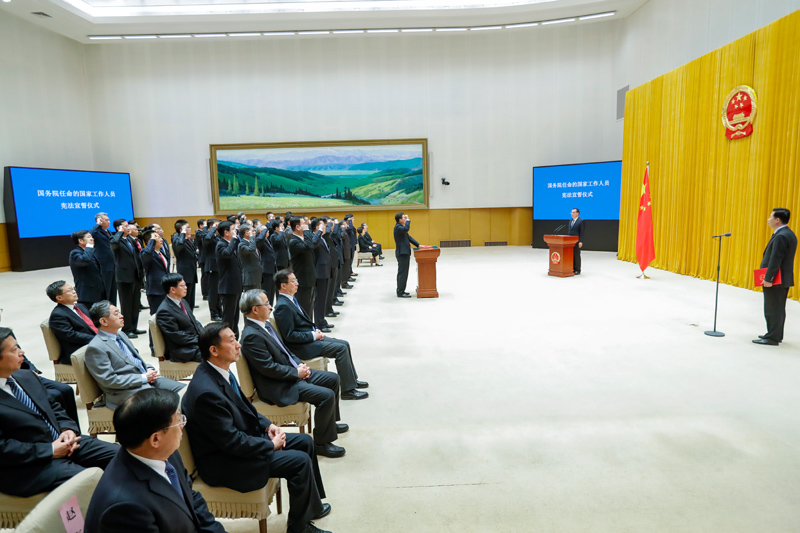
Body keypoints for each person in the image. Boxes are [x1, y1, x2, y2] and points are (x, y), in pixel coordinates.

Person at [181, 322, 333, 533]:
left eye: (236, 338)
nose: (238, 345)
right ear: (214, 350)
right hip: (225, 462)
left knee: (305, 441)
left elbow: (245, 408)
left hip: (240, 441)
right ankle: (299, 528)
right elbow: (231, 442)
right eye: (232, 341)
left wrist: (268, 425)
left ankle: (310, 508)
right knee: (299, 462)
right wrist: (270, 445)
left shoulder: (219, 371)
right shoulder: (206, 393)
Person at [84, 389, 226, 533]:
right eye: (178, 421)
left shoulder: (166, 453)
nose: (182, 425)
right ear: (156, 439)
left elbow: (191, 498)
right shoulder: (125, 508)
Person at [0, 327, 118, 497]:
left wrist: (67, 429)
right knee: (92, 482)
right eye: (14, 349)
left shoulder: (26, 376)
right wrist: (50, 450)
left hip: (65, 442)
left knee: (123, 455)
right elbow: (3, 448)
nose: (22, 352)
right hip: (30, 464)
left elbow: (54, 407)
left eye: (18, 346)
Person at [240, 290, 346, 458]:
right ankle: (322, 444)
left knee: (333, 379)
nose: (270, 306)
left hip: (290, 374)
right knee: (326, 396)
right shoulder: (251, 336)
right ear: (255, 309)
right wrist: (296, 373)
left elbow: (286, 351)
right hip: (279, 386)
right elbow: (268, 368)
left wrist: (300, 365)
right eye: (266, 303)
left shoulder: (265, 325)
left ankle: (329, 424)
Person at [273, 269, 367, 400]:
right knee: (340, 349)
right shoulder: (283, 306)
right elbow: (290, 335)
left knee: (344, 344)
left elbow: (302, 324)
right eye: (293, 281)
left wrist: (315, 331)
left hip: (308, 338)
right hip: (301, 347)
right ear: (283, 285)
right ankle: (348, 391)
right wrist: (313, 335)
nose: (297, 283)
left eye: (296, 280)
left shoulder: (290, 300)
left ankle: (351, 381)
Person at [85, 301, 184, 409]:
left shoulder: (121, 335)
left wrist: (149, 369)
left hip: (145, 380)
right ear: (104, 321)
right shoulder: (96, 347)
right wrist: (143, 378)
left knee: (186, 391)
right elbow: (110, 380)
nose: (121, 316)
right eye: (116, 314)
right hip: (125, 391)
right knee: (169, 403)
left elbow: (135, 360)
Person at [754, 208, 797, 346]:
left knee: (772, 308)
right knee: (778, 308)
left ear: (777, 220)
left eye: (770, 217)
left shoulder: (781, 236)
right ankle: (775, 334)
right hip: (782, 278)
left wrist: (768, 279)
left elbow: (775, 260)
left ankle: (772, 338)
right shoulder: (787, 233)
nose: (768, 219)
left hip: (776, 279)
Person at [156, 274, 204, 363]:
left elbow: (195, 322)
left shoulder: (183, 301)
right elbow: (177, 336)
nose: (186, 287)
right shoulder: (164, 311)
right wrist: (201, 341)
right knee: (215, 355)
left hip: (193, 343)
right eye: (182, 285)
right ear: (173, 289)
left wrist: (205, 336)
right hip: (183, 350)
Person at [47, 280, 97, 365]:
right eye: (69, 290)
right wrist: (97, 339)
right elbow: (71, 335)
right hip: (79, 349)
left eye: (73, 288)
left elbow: (92, 324)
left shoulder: (80, 306)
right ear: (59, 298)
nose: (74, 292)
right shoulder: (58, 315)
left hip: (94, 342)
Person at [111, 219, 144, 338]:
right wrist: (120, 232)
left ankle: (134, 327)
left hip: (135, 275)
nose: (128, 228)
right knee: (127, 304)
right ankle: (127, 329)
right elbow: (114, 244)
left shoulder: (129, 239)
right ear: (118, 228)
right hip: (124, 277)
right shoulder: (115, 239)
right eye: (125, 226)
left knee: (135, 303)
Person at [289, 217, 321, 318]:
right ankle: (306, 327)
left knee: (309, 306)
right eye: (304, 223)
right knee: (304, 307)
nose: (307, 225)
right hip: (303, 279)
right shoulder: (294, 241)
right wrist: (306, 230)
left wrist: (318, 232)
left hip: (309, 277)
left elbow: (313, 244)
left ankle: (310, 326)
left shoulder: (302, 239)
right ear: (298, 227)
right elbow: (309, 246)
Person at [216, 221, 243, 337]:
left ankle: (234, 338)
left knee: (235, 316)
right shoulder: (221, 244)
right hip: (228, 287)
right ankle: (226, 338)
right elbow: (227, 253)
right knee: (228, 317)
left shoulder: (230, 243)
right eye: (233, 229)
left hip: (235, 285)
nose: (235, 231)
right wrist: (234, 239)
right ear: (226, 232)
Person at [69, 230, 106, 309]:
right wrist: (89, 246)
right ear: (81, 240)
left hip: (98, 291)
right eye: (89, 237)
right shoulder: (75, 253)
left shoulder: (90, 252)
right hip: (87, 294)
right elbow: (85, 260)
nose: (92, 239)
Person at [172, 219, 199, 310]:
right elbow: (179, 245)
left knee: (191, 298)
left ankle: (190, 314)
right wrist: (183, 232)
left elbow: (192, 253)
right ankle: (186, 315)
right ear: (181, 230)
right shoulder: (176, 238)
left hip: (192, 271)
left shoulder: (188, 239)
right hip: (185, 272)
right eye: (187, 227)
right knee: (185, 298)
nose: (190, 229)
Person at [141, 231, 170, 314]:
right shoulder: (145, 253)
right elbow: (147, 254)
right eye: (158, 238)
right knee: (157, 314)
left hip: (165, 287)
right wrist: (152, 240)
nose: (161, 240)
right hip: (155, 290)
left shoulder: (161, 252)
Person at [91, 212, 117, 305]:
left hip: (112, 263)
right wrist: (97, 224)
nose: (109, 222)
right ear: (100, 220)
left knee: (113, 289)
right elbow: (91, 233)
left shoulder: (108, 231)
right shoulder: (96, 232)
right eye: (106, 220)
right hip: (104, 265)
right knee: (106, 288)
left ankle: (112, 306)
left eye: (109, 220)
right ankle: (105, 307)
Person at [393, 212, 419, 298]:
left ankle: (402, 290)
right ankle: (400, 292)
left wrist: (418, 245)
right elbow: (406, 229)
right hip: (402, 253)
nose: (405, 219)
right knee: (402, 273)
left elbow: (409, 237)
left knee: (404, 273)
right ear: (400, 220)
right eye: (404, 218)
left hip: (405, 253)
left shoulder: (401, 228)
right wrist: (408, 221)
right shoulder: (398, 227)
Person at [202, 219, 222, 321]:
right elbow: (207, 239)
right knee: (213, 292)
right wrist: (213, 228)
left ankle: (219, 311)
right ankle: (214, 314)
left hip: (218, 267)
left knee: (218, 292)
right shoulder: (206, 235)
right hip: (211, 267)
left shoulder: (216, 236)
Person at [256, 222, 278, 303]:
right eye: (265, 231)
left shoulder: (267, 240)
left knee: (272, 291)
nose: (268, 231)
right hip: (265, 270)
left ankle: (270, 307)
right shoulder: (259, 240)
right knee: (267, 291)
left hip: (272, 269)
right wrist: (264, 230)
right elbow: (259, 241)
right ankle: (265, 307)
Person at [238, 223, 262, 292]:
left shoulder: (251, 243)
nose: (254, 232)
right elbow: (251, 250)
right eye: (252, 231)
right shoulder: (242, 245)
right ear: (246, 233)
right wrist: (251, 237)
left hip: (256, 275)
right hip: (250, 277)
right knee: (251, 297)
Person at [567, 208, 585, 275]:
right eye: (571, 212)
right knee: (571, 255)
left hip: (577, 241)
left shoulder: (581, 221)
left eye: (573, 212)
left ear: (577, 213)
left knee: (576, 255)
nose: (572, 214)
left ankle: (577, 269)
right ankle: (572, 268)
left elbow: (582, 232)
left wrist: (581, 241)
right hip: (570, 241)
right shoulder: (570, 220)